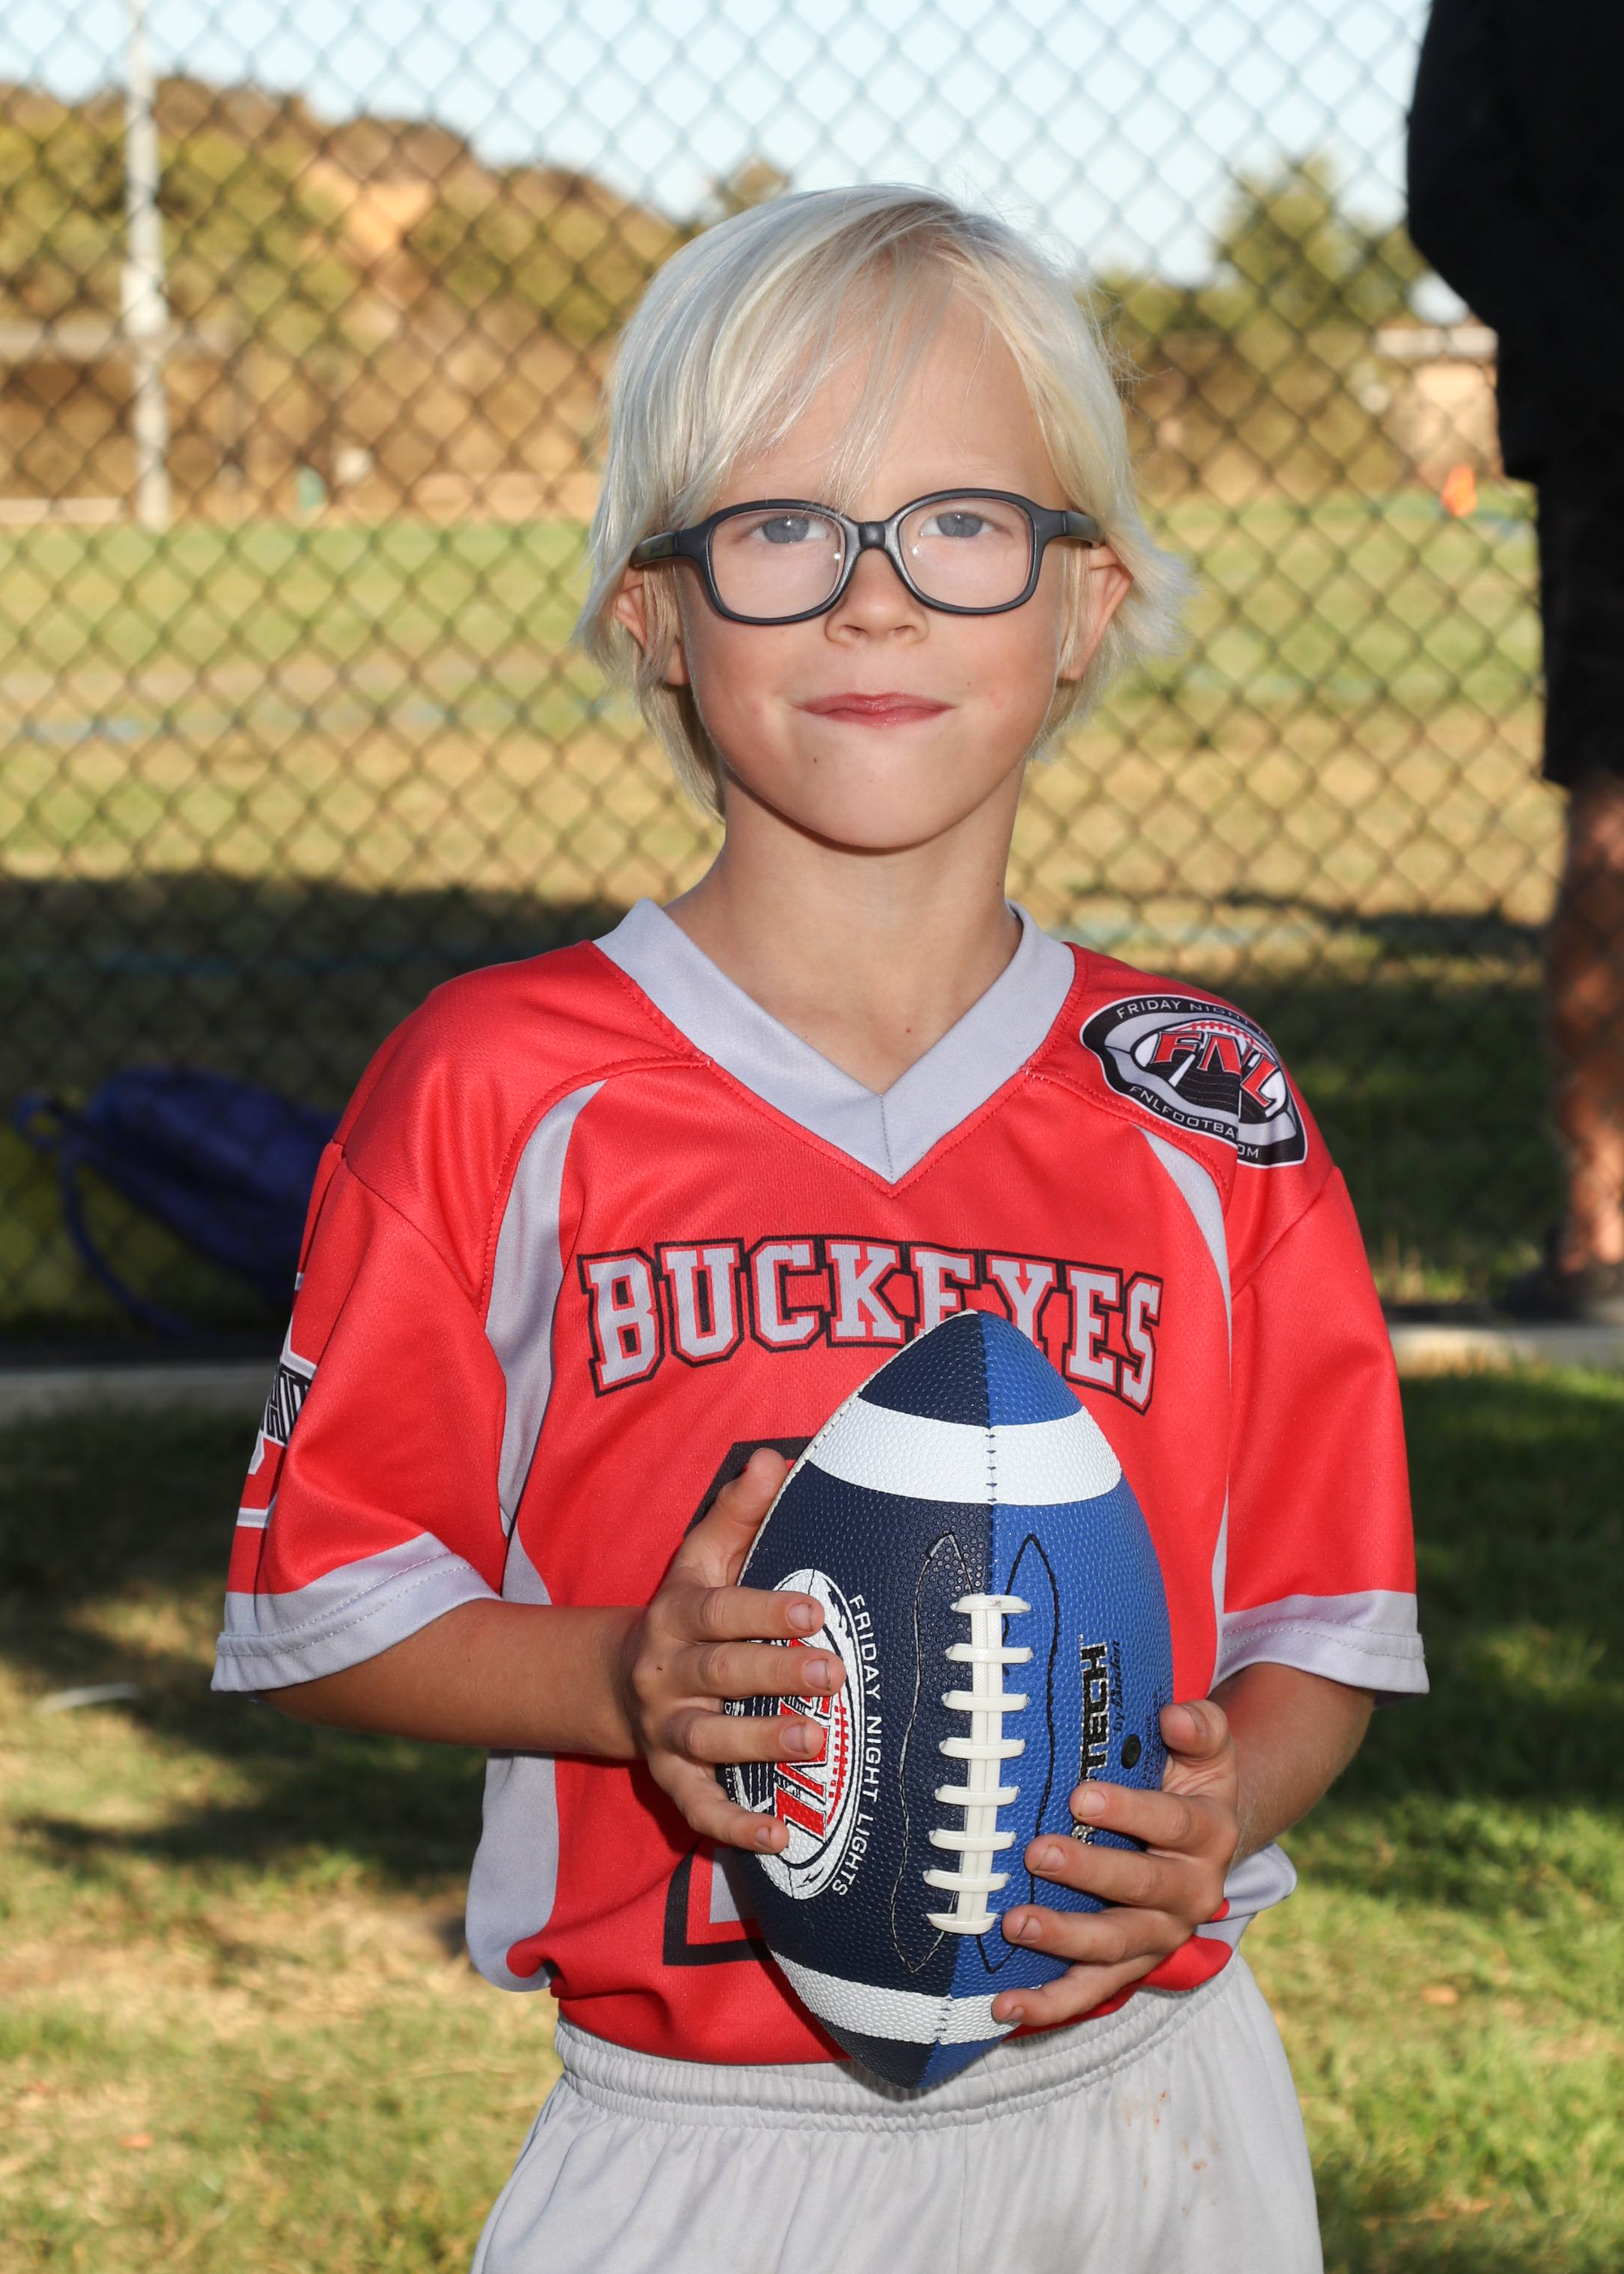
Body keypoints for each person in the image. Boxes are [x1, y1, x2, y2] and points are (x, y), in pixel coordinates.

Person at [211, 188, 1427, 2273]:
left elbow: (1319, 1618)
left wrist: (1219, 1809)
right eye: (782, 529)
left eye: (961, 523)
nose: (874, 602)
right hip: (702, 2141)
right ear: (654, 613)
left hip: (1157, 2108)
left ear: (1087, 601)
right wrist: (623, 1672)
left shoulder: (1195, 1100)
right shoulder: (503, 1083)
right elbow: (325, 1600)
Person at [1408, 0, 1624, 1323]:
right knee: (1616, 822)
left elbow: (1454, 189)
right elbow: (1455, 193)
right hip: (1609, 435)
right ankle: (1602, 1225)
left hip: (1599, 412)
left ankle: (1601, 1229)